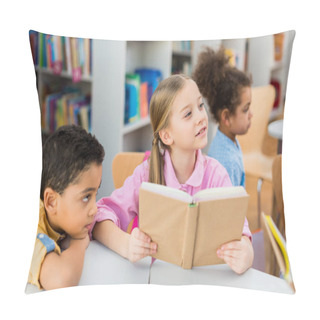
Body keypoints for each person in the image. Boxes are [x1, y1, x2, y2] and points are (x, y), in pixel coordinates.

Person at [95, 74, 254, 274]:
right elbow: (100, 218)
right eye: (188, 114)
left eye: (200, 106)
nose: (200, 117)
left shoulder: (216, 174)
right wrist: (127, 246)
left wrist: (246, 254)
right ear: (167, 135)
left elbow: (243, 234)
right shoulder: (146, 173)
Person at [28, 125, 109, 290]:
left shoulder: (64, 216)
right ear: (51, 202)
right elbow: (60, 280)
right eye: (86, 197)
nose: (94, 209)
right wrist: (78, 242)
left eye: (95, 194)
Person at [192, 47, 252, 187]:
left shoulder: (228, 141)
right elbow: (228, 207)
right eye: (245, 109)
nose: (251, 114)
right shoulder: (227, 162)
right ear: (226, 117)